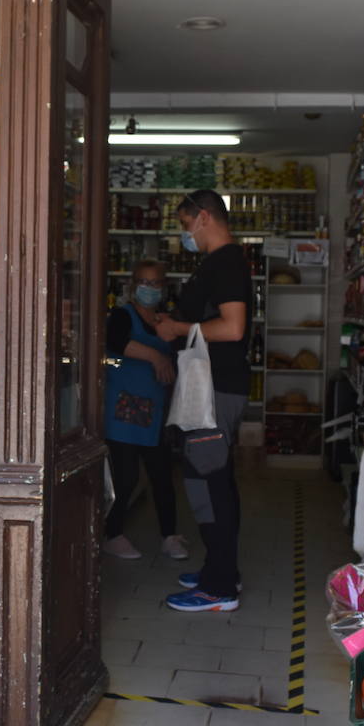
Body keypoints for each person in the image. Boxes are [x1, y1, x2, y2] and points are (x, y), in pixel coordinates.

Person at [153, 190, 252, 612]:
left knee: (206, 484)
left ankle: (219, 589)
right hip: (210, 386)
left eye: (184, 222)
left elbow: (232, 328)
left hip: (213, 390)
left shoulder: (226, 262)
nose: (183, 232)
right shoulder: (219, 263)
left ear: (204, 217)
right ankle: (221, 568)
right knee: (215, 480)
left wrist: (177, 329)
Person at [103, 260, 188, 561]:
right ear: (132, 284)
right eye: (144, 282)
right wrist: (154, 356)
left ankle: (170, 535)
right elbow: (114, 342)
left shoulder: (167, 322)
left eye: (155, 283)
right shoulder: (122, 316)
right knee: (125, 477)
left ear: (165, 287)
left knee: (163, 476)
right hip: (124, 410)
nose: (149, 289)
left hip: (156, 412)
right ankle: (112, 534)